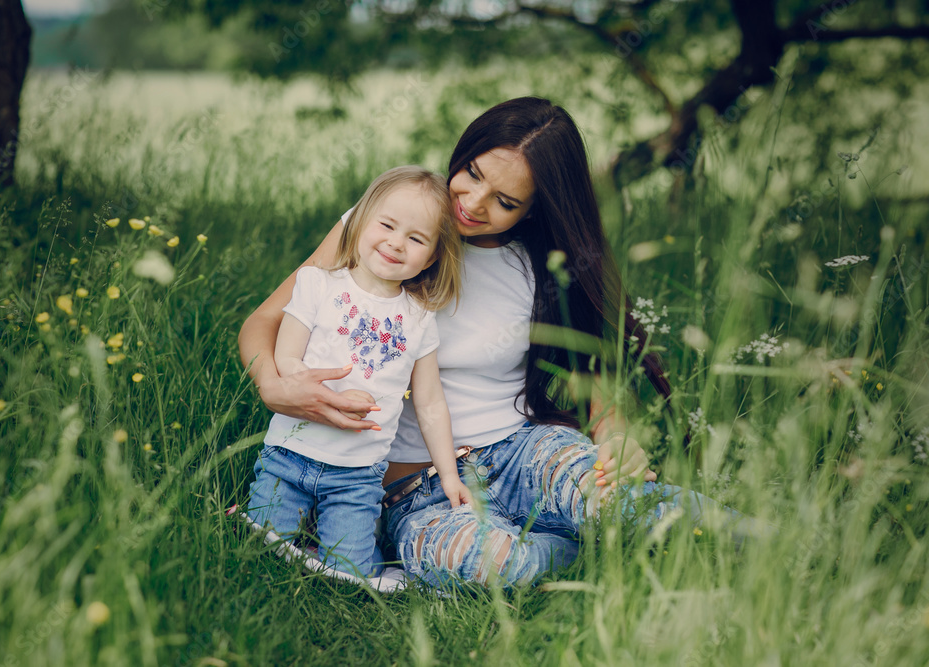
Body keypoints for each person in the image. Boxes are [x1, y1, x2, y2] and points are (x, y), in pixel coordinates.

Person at [240, 97, 768, 588]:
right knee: (491, 563)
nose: (471, 203)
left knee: (612, 499)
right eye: (470, 174)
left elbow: (590, 373)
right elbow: (263, 321)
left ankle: (775, 544)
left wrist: (616, 435)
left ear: (534, 209)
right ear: (463, 152)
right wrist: (274, 384)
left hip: (523, 452)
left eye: (506, 200)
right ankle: (573, 551)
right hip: (414, 492)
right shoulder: (387, 228)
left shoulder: (538, 264)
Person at [245, 166, 472, 579]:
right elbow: (287, 358)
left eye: (416, 238)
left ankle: (327, 546)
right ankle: (291, 534)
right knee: (258, 548)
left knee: (349, 571)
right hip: (290, 454)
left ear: (434, 256)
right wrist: (322, 392)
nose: (396, 243)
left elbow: (430, 402)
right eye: (386, 225)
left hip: (358, 475)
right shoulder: (318, 285)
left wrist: (450, 476)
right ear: (360, 220)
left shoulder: (419, 318)